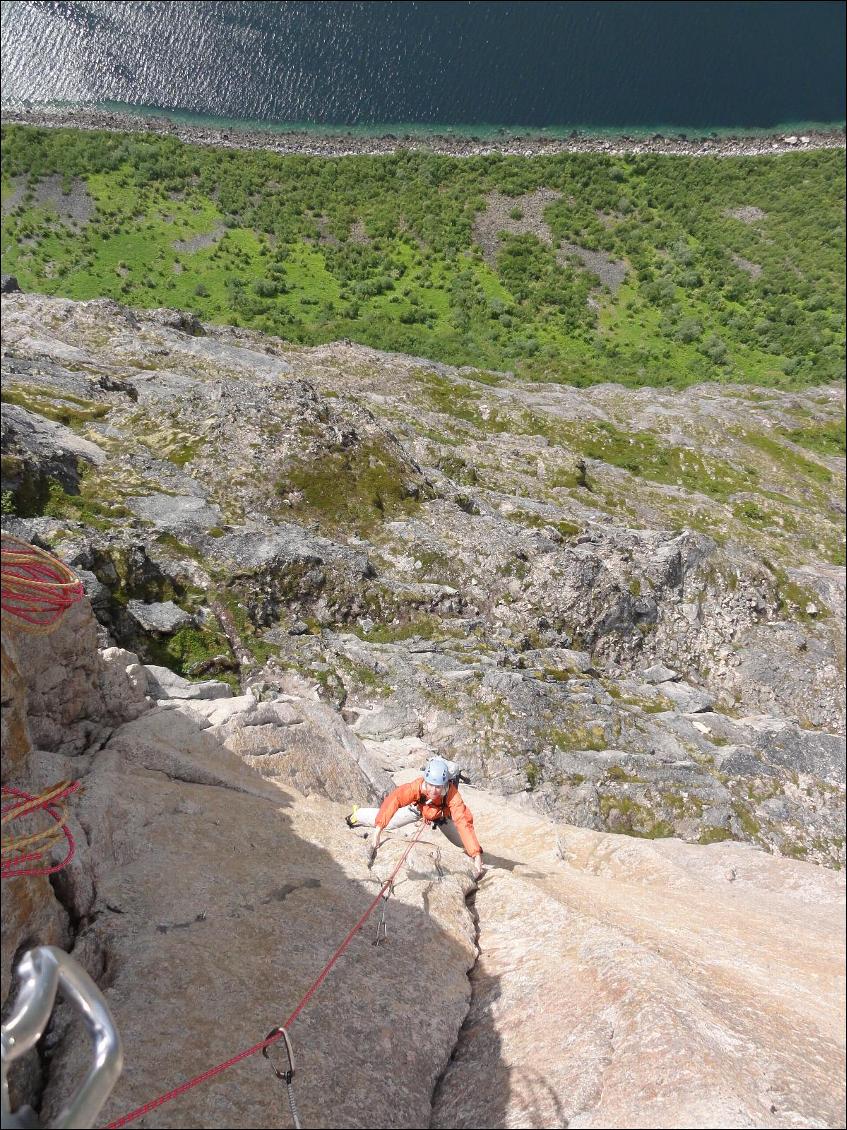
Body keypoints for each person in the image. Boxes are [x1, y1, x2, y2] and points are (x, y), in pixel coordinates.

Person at [346, 756, 484, 879]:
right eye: (430, 785)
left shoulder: (452, 795)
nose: (433, 790)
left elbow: (463, 821)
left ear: (445, 784)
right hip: (417, 809)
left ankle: (474, 852)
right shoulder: (416, 787)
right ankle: (358, 814)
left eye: (438, 787)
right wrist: (377, 831)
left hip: (442, 816)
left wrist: (476, 854)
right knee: (389, 823)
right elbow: (394, 800)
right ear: (425, 781)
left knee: (461, 842)